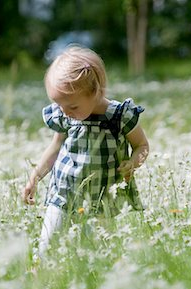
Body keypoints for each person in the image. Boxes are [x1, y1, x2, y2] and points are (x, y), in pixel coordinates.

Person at [22, 46, 149, 259]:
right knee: (48, 244)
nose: (64, 112)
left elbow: (142, 145)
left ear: (96, 91)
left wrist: (133, 162)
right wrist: (34, 178)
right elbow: (54, 148)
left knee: (99, 252)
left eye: (71, 106)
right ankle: (40, 280)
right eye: (58, 104)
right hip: (64, 193)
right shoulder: (66, 114)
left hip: (102, 197)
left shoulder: (119, 116)